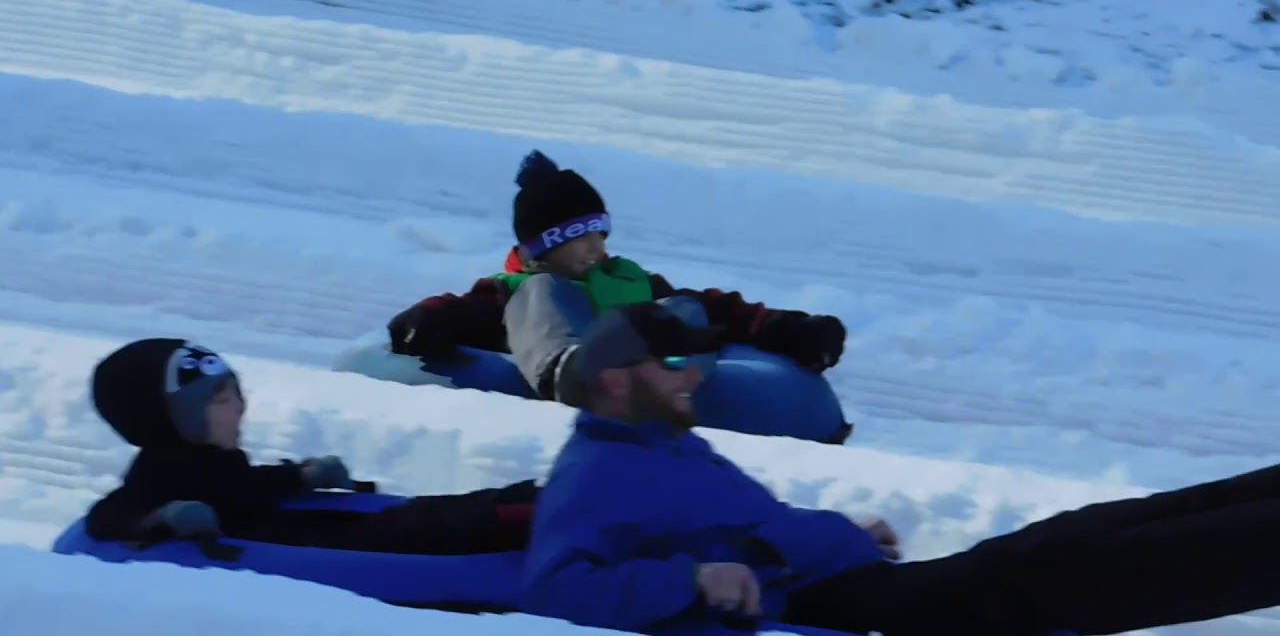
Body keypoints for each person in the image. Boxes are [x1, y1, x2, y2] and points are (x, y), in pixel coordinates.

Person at [519, 302, 1280, 636]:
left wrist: (834, 531)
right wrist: (688, 582)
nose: (694, 376)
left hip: (876, 590)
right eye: (674, 363)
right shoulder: (593, 475)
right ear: (617, 378)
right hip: (867, 618)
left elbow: (746, 531)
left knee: (1091, 535)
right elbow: (553, 590)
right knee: (1094, 568)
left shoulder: (666, 444)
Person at [386, 149, 852, 443]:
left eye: (599, 233)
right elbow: (461, 310)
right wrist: (428, 318)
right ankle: (575, 373)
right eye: (579, 236)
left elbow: (716, 308)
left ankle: (673, 378)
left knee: (684, 308)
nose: (597, 247)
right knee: (540, 290)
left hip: (647, 380)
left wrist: (786, 328)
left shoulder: (627, 278)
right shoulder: (515, 290)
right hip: (576, 371)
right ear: (543, 244)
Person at [86, 338, 536, 556]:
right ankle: (533, 514)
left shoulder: (206, 460)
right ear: (172, 420)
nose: (240, 409)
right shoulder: (158, 475)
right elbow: (108, 515)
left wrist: (300, 475)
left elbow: (241, 486)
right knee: (424, 529)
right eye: (221, 401)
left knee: (424, 513)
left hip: (300, 530)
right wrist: (164, 517)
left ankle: (531, 501)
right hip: (296, 544)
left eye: (236, 393)